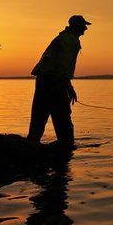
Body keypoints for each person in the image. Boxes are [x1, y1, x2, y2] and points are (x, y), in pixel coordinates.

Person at [27, 15, 91, 145]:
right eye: (84, 25)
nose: (85, 28)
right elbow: (62, 66)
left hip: (45, 80)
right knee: (61, 116)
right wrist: (68, 86)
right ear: (77, 26)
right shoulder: (70, 41)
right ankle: (65, 146)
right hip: (53, 81)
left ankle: (32, 144)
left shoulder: (65, 38)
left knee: (40, 115)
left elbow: (61, 67)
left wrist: (67, 85)